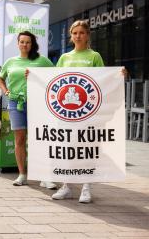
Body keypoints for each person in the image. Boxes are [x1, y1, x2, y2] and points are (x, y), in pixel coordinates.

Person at [51, 20, 104, 203]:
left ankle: (86, 187)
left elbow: (103, 81)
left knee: (86, 149)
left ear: (87, 35)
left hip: (87, 112)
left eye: (82, 32)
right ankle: (66, 186)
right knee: (67, 149)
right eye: (75, 33)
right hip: (67, 113)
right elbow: (54, 82)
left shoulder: (95, 56)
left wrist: (119, 75)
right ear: (71, 36)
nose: (78, 36)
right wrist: (32, 76)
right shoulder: (64, 58)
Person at [0, 31, 57, 189]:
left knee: (40, 140)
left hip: (38, 103)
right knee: (20, 140)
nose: (25, 45)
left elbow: (56, 76)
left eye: (28, 42)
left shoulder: (41, 60)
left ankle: (45, 176)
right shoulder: (10, 61)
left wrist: (38, 76)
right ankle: (22, 174)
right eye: (22, 42)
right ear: (17, 43)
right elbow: (0, 78)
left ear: (32, 44)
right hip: (16, 104)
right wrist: (6, 91)